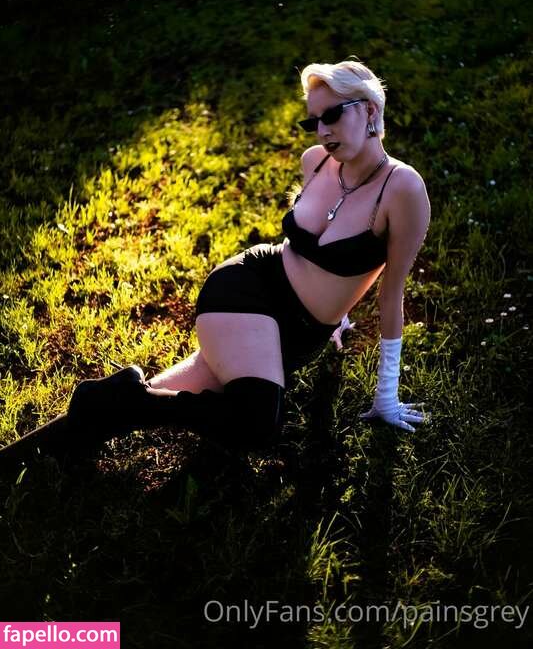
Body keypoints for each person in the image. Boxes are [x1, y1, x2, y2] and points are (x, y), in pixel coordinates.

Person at [0, 59, 431, 469]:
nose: (322, 132)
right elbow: (308, 248)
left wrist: (385, 396)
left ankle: (59, 435)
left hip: (295, 334)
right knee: (256, 425)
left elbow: (390, 290)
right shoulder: (316, 161)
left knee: (146, 399)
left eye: (332, 115)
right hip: (249, 290)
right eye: (313, 122)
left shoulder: (402, 189)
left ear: (369, 109)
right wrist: (338, 307)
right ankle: (121, 398)